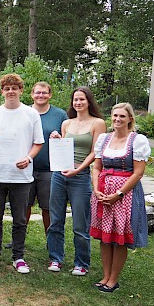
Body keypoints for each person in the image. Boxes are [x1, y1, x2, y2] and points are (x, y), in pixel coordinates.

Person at [0, 73, 44, 274]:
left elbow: (38, 142)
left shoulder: (31, 114)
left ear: (21, 91)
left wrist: (29, 158)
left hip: (21, 175)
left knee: (20, 218)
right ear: (2, 91)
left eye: (14, 88)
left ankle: (18, 256)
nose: (11, 91)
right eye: (7, 88)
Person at [90, 103, 150, 293]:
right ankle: (106, 275)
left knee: (119, 238)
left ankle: (114, 279)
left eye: (122, 116)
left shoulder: (137, 141)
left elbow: (138, 173)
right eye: (115, 115)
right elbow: (97, 167)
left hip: (125, 194)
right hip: (103, 192)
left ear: (130, 119)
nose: (117, 119)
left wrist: (119, 194)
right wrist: (96, 188)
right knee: (105, 237)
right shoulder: (104, 139)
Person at [47, 87, 106, 275]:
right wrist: (56, 138)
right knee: (56, 220)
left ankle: (81, 263)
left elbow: (96, 151)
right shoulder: (66, 123)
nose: (78, 103)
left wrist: (79, 169)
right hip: (59, 175)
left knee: (80, 224)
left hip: (80, 177)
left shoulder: (98, 123)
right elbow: (63, 148)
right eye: (75, 100)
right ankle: (56, 258)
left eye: (81, 99)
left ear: (89, 101)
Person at [27, 82, 67, 240]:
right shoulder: (25, 112)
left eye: (44, 93)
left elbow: (68, 138)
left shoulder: (59, 115)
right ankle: (19, 238)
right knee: (24, 206)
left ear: (50, 95)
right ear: (32, 94)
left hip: (49, 169)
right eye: (37, 93)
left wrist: (60, 137)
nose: (41, 95)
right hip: (26, 167)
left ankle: (51, 239)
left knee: (48, 208)